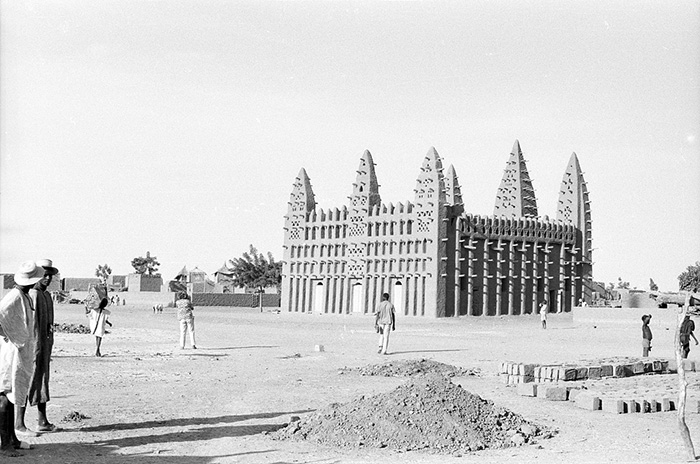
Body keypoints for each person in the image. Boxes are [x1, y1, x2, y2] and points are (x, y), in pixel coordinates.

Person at [0, 261, 45, 456]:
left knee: (12, 397)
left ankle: (12, 439)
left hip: (19, 353)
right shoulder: (14, 296)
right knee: (4, 395)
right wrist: (8, 335)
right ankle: (5, 444)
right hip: (10, 354)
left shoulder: (24, 296)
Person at [15, 259, 59, 437]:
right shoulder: (33, 295)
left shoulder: (46, 295)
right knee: (27, 380)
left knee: (41, 381)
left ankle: (42, 421)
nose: (47, 278)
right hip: (33, 346)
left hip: (44, 346)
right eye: (45, 275)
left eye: (50, 275)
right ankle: (19, 422)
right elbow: (31, 326)